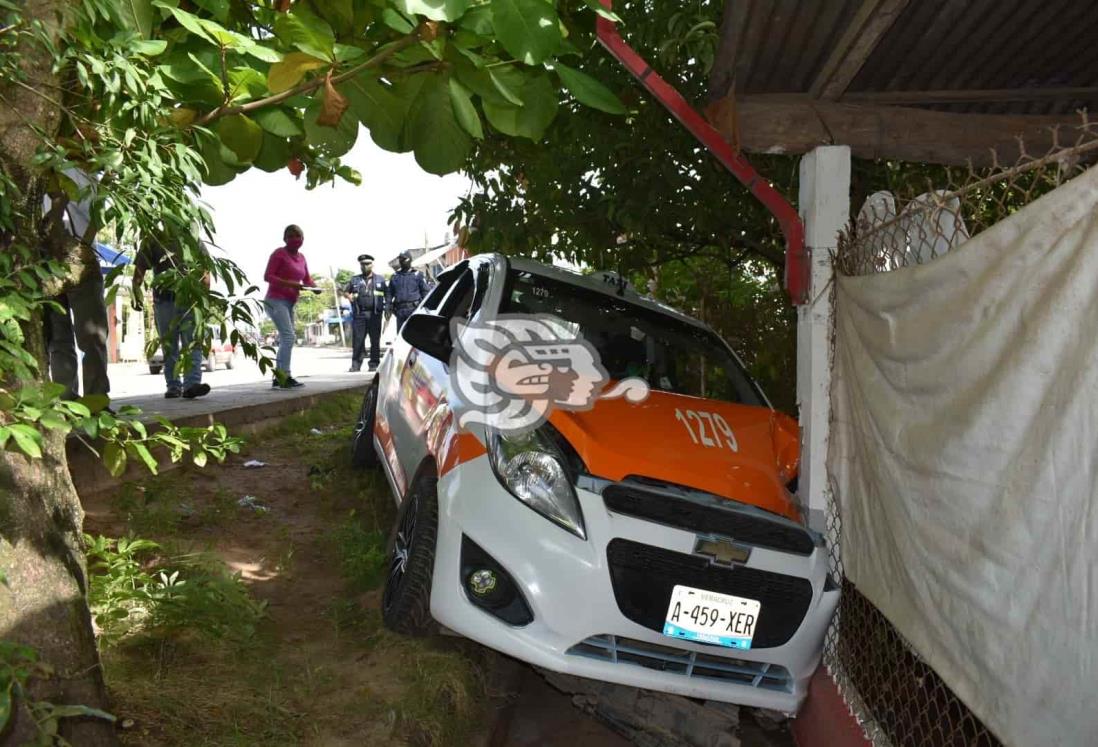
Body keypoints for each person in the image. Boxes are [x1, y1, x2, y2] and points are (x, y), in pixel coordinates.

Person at [43, 169, 111, 400]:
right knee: (58, 338)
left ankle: (96, 399)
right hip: (45, 263)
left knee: (93, 337)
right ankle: (66, 400)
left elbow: (99, 212)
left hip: (82, 259)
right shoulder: (29, 176)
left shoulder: (78, 173)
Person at [132, 233, 211, 399]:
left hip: (189, 299)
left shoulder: (193, 237)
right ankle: (174, 385)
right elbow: (140, 268)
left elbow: (205, 270)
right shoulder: (153, 239)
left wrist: (204, 298)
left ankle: (191, 385)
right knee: (171, 345)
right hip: (165, 299)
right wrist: (136, 292)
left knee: (191, 343)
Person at [263, 224, 319, 389]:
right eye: (290, 237)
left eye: (298, 236)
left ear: (302, 239)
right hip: (275, 300)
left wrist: (315, 287)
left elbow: (307, 280)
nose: (294, 240)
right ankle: (285, 375)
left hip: (290, 302)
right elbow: (268, 276)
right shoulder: (279, 254)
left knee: (287, 338)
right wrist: (290, 284)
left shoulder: (302, 258)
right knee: (288, 337)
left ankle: (279, 376)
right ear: (285, 239)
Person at [343, 254, 389, 372]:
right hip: (360, 314)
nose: (365, 266)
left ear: (372, 264)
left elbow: (388, 294)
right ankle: (356, 364)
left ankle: (374, 364)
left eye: (367, 264)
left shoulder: (380, 279)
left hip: (375, 314)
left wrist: (388, 307)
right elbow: (345, 291)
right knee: (358, 340)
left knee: (375, 340)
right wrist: (349, 296)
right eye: (363, 264)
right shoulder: (355, 280)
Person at [388, 250, 429, 330]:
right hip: (400, 311)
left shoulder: (418, 275)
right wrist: (388, 307)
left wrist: (425, 309)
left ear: (410, 259)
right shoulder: (395, 276)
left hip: (414, 310)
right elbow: (389, 293)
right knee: (401, 336)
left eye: (404, 259)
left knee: (414, 336)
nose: (401, 261)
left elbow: (425, 293)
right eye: (400, 259)